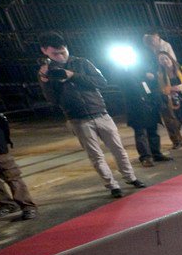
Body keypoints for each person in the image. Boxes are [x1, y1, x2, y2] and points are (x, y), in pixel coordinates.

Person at [37, 32, 145, 199]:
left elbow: (101, 82)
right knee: (96, 156)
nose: (60, 56)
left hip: (100, 113)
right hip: (77, 119)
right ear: (44, 51)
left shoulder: (82, 63)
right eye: (55, 54)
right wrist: (45, 82)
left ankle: (130, 177)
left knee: (118, 149)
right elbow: (52, 99)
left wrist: (73, 75)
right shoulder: (46, 72)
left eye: (63, 52)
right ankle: (112, 186)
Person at [0, 94, 37, 220]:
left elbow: (0, 120)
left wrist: (3, 140)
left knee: (11, 175)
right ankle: (7, 204)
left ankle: (27, 206)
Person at [123, 63, 171, 167]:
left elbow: (154, 88)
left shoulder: (145, 76)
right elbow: (129, 90)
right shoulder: (126, 76)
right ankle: (145, 157)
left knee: (153, 131)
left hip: (151, 107)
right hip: (137, 109)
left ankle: (156, 153)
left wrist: (151, 78)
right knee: (141, 134)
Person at [143, 31, 182, 147]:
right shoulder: (148, 54)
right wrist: (149, 75)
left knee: (177, 116)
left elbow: (173, 65)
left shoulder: (164, 48)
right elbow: (146, 71)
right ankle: (176, 140)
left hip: (171, 88)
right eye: (151, 41)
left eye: (154, 39)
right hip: (159, 91)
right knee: (168, 117)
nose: (153, 42)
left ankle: (179, 138)